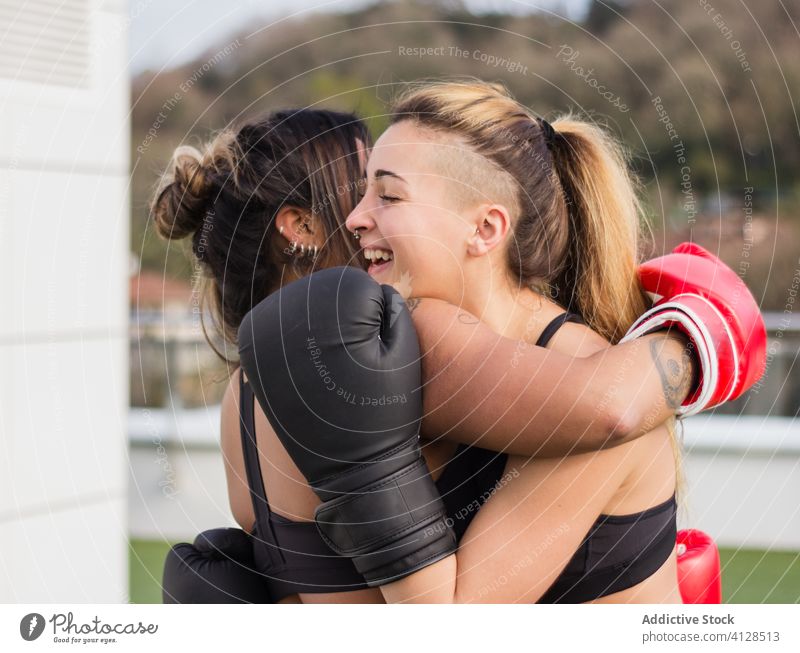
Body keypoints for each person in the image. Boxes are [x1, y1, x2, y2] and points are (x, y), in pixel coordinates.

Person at [154, 103, 724, 603]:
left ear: (485, 228)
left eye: (388, 192)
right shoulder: (410, 344)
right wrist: (697, 333)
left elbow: (610, 410)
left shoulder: (243, 396)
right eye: (361, 186)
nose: (360, 217)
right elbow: (608, 404)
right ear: (301, 225)